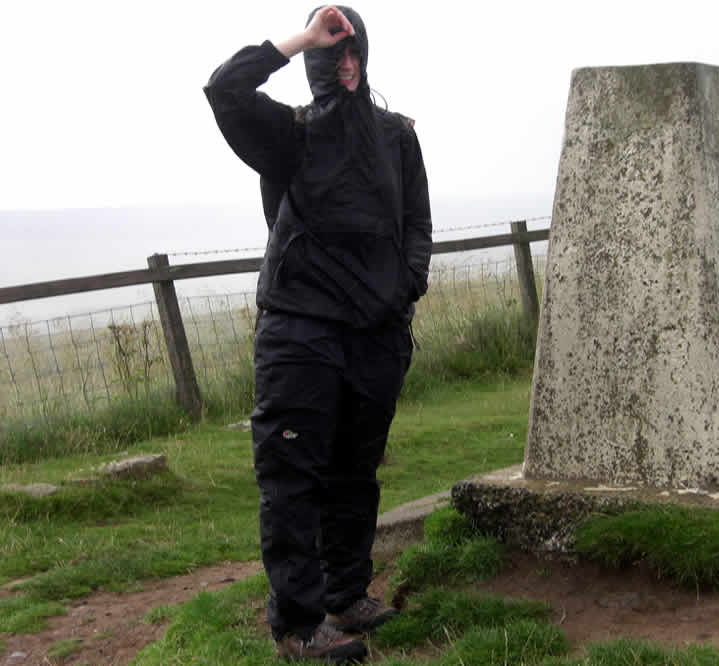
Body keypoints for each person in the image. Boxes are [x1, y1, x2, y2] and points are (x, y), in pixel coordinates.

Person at [203, 5, 431, 663]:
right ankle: (300, 626)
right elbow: (225, 89)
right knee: (293, 477)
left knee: (355, 471)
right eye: (332, 51)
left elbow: (417, 222)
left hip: (377, 334)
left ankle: (347, 593)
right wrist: (303, 36)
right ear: (314, 60)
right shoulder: (288, 134)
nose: (345, 60)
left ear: (368, 55)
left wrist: (405, 284)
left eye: (352, 48)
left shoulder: (396, 137)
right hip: (301, 331)